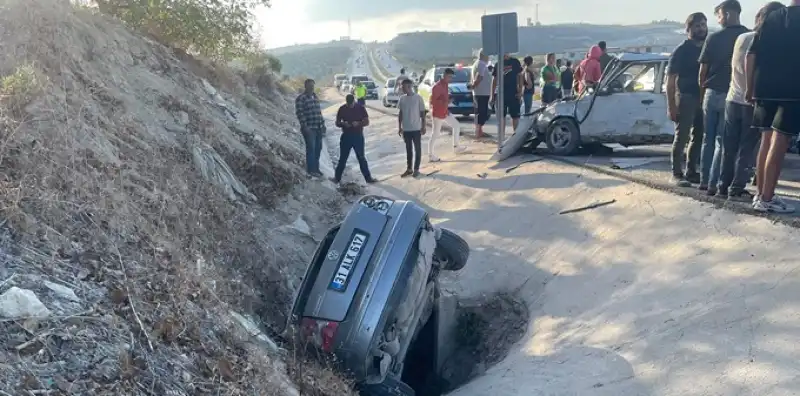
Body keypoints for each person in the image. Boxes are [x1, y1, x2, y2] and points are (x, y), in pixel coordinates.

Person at [719, 2, 783, 201]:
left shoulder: (742, 37)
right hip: (751, 100)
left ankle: (722, 185)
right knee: (747, 148)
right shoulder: (763, 40)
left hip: (732, 97)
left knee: (729, 147)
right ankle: (737, 187)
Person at [745, 0, 799, 213]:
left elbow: (751, 55)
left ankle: (761, 194)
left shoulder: (771, 17)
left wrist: (750, 88)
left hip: (764, 88)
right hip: (792, 90)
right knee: (780, 141)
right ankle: (767, 198)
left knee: (766, 140)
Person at [698, 0, 749, 195]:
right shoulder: (748, 36)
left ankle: (704, 181)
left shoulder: (713, 38)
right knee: (723, 142)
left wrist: (702, 93)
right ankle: (715, 183)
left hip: (711, 92)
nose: (718, 20)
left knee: (707, 139)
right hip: (733, 94)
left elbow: (702, 71)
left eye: (719, 15)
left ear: (727, 14)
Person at [666, 12, 708, 187]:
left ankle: (691, 171)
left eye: (703, 25)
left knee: (698, 137)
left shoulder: (707, 47)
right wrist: (671, 106)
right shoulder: (681, 51)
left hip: (703, 97)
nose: (701, 29)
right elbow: (670, 80)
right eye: (697, 26)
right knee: (681, 136)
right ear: (688, 29)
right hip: (685, 97)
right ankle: (676, 173)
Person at [332, 94, 378, 184]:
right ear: (346, 102)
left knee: (361, 158)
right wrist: (343, 124)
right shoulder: (342, 109)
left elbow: (367, 121)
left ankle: (368, 178)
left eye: (351, 104)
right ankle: (336, 178)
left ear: (354, 101)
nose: (350, 106)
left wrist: (359, 123)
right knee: (343, 159)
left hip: (358, 136)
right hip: (346, 136)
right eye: (348, 104)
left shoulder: (360, 108)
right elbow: (337, 122)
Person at [429, 68, 465, 162]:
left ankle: (456, 147)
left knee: (456, 125)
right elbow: (434, 102)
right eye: (449, 77)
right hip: (437, 113)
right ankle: (431, 155)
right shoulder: (436, 87)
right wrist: (447, 102)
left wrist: (447, 103)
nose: (450, 79)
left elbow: (444, 98)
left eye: (451, 77)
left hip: (445, 111)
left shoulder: (445, 85)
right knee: (435, 134)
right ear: (444, 75)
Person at [294, 78, 326, 178]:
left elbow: (319, 112)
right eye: (310, 85)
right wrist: (305, 126)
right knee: (311, 149)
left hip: (318, 127)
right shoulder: (301, 98)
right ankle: (311, 170)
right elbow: (300, 113)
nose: (312, 87)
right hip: (309, 128)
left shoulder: (315, 96)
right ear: (305, 86)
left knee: (318, 148)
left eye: (313, 85)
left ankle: (316, 169)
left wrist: (323, 124)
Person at [397, 79, 426, 178]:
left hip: (416, 129)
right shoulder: (402, 99)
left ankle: (416, 169)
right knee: (408, 150)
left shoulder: (418, 98)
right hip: (406, 129)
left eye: (403, 87)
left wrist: (423, 126)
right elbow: (400, 113)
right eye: (402, 87)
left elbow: (422, 113)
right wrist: (399, 127)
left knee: (417, 149)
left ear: (409, 87)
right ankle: (409, 169)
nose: (402, 89)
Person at [491, 53, 523, 132]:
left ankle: (515, 136)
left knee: (515, 116)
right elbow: (494, 80)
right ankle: (502, 137)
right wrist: (492, 95)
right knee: (501, 117)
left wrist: (520, 91)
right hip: (501, 94)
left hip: (513, 93)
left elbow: (520, 76)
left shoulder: (515, 62)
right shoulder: (498, 64)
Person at [471, 49, 492, 139]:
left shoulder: (477, 63)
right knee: (482, 112)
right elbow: (479, 77)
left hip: (480, 92)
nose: (489, 58)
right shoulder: (482, 64)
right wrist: (474, 85)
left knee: (480, 111)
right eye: (488, 56)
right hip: (482, 92)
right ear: (484, 56)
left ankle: (480, 131)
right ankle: (478, 132)